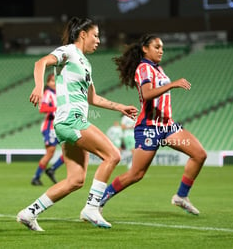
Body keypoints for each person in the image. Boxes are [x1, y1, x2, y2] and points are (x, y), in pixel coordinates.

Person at [16, 16, 138, 231]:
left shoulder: (85, 63)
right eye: (96, 35)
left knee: (75, 181)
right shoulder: (69, 51)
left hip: (69, 123)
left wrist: (119, 107)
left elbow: (93, 98)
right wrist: (39, 87)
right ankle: (92, 208)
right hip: (71, 120)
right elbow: (40, 62)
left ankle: (29, 213)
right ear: (83, 34)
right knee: (113, 155)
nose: (98, 40)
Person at [99, 34, 207, 216]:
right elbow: (147, 94)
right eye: (157, 47)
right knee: (136, 174)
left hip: (167, 126)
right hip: (149, 127)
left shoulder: (158, 69)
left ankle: (181, 196)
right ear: (145, 49)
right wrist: (173, 84)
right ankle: (98, 201)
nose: (161, 51)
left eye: (162, 47)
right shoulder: (143, 68)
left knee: (199, 154)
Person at [31, 73, 65, 186]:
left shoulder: (60, 94)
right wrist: (57, 108)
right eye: (51, 81)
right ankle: (36, 177)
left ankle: (52, 169)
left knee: (69, 150)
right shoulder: (48, 93)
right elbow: (43, 108)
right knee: (50, 153)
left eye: (55, 80)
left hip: (60, 126)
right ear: (47, 83)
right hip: (50, 126)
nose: (54, 83)